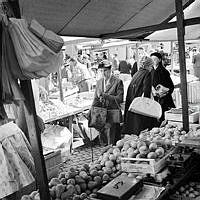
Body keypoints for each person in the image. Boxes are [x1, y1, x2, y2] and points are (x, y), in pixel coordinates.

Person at [122, 56, 159, 135]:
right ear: (148, 66)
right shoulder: (147, 74)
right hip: (140, 109)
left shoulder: (136, 74)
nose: (152, 68)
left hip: (133, 107)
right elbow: (146, 92)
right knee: (143, 131)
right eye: (151, 66)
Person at [92, 60, 124, 145]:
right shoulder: (99, 82)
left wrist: (106, 96)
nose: (103, 73)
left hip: (112, 113)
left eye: (105, 70)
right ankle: (105, 152)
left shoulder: (118, 82)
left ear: (110, 70)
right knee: (102, 136)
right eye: (101, 71)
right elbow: (95, 98)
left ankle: (111, 152)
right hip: (101, 113)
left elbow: (120, 98)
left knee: (111, 137)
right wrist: (91, 110)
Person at [150, 52, 175, 123]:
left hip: (164, 98)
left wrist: (164, 91)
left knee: (164, 118)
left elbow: (171, 86)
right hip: (154, 97)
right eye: (151, 59)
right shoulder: (150, 71)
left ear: (160, 60)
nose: (153, 61)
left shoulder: (164, 71)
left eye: (155, 59)